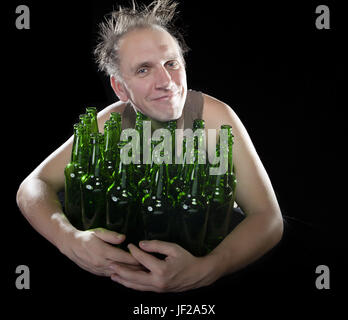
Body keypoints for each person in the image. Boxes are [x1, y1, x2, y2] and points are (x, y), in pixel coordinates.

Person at [16, 0, 283, 292]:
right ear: (120, 87)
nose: (166, 82)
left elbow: (267, 218)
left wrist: (210, 268)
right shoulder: (112, 122)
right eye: (144, 70)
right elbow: (33, 185)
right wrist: (68, 239)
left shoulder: (216, 118)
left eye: (172, 64)